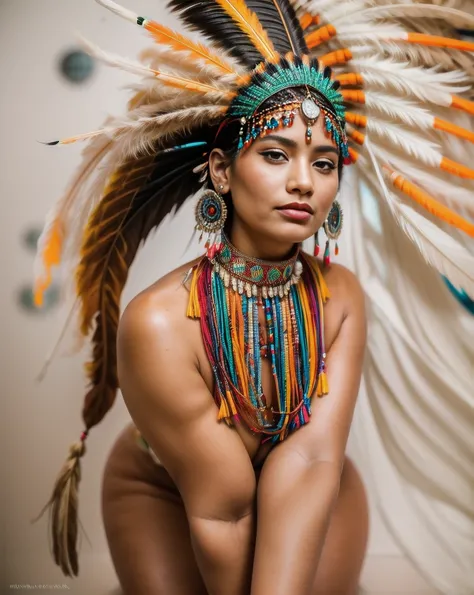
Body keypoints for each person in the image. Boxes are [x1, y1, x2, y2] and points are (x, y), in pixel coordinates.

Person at [32, 0, 474, 594]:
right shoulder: (160, 322)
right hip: (168, 494)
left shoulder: (340, 297)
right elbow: (225, 508)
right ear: (220, 170)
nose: (304, 182)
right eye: (275, 154)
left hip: (317, 491)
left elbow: (313, 459)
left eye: (324, 162)